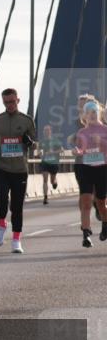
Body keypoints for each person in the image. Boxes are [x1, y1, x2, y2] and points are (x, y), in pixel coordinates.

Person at [0, 88, 37, 254]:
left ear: (18, 100)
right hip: (2, 168)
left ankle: (16, 240)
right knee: (1, 199)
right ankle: (2, 225)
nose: (9, 105)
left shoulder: (27, 120)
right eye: (6, 102)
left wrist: (29, 142)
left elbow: (36, 145)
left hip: (20, 170)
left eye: (12, 101)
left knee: (17, 207)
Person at [73, 99, 107, 247]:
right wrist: (77, 151)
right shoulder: (82, 132)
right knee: (86, 201)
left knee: (101, 203)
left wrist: (101, 142)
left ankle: (105, 224)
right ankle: (86, 234)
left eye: (94, 112)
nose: (92, 115)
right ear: (84, 116)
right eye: (88, 112)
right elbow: (82, 149)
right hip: (86, 168)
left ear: (99, 113)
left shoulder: (105, 130)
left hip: (102, 168)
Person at [37, 124, 62, 205]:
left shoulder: (55, 140)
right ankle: (45, 197)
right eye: (45, 130)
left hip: (54, 162)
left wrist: (53, 152)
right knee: (45, 179)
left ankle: (55, 182)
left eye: (48, 130)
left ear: (51, 131)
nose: (46, 132)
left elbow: (61, 150)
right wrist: (39, 153)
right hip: (45, 162)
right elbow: (38, 150)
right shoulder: (42, 141)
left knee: (52, 181)